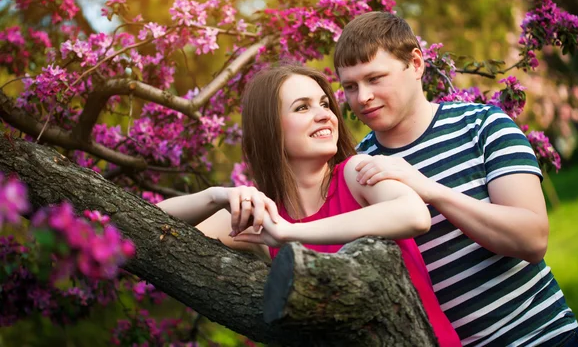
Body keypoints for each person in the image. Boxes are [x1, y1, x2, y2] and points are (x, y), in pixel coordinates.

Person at [157, 65, 461, 346]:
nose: (324, 115)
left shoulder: (356, 173)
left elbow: (415, 215)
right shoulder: (267, 214)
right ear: (270, 128)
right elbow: (152, 229)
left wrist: (292, 233)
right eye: (303, 107)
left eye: (325, 104)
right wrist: (213, 196)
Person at [333, 11, 578, 346]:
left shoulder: (484, 126)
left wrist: (428, 189)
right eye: (349, 86)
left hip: (543, 337)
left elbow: (532, 240)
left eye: (375, 78)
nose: (362, 97)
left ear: (416, 64)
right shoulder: (355, 169)